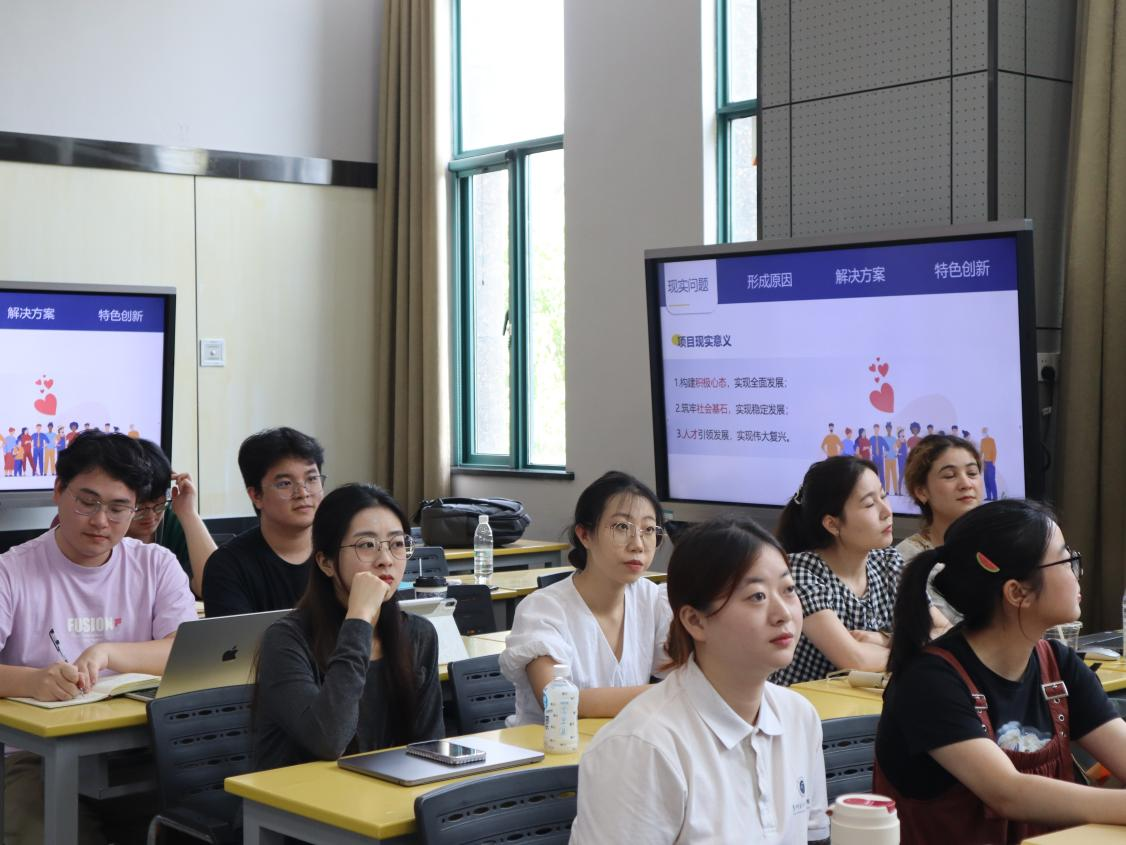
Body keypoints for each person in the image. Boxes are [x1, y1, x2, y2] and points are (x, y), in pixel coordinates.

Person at [875, 499, 1126, 843]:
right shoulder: (930, 682)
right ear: (1017, 592)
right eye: (1066, 560)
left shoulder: (1059, 666)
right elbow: (1009, 793)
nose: (1076, 572)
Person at [571, 515, 829, 844]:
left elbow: (814, 836)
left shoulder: (799, 717)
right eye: (757, 596)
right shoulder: (641, 746)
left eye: (788, 589)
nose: (783, 614)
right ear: (695, 621)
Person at [0, 431, 197, 845]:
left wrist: (107, 652)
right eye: (87, 502)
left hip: (142, 745)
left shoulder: (156, 564)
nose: (101, 521)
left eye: (119, 508)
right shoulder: (12, 572)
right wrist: (33, 681)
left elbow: (185, 653)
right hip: (37, 755)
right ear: (58, 491)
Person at [252, 483, 442, 771]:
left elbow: (430, 749)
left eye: (397, 544)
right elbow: (329, 741)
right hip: (302, 796)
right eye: (366, 545)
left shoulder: (418, 634)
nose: (385, 560)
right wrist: (360, 619)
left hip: (389, 792)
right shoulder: (285, 640)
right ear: (326, 563)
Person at [499, 471, 671, 725]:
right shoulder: (543, 609)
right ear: (585, 535)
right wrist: (669, 694)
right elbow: (558, 701)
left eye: (648, 530)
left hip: (622, 743)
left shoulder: (653, 599)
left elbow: (688, 676)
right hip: (551, 749)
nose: (638, 544)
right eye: (622, 527)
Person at [771, 455, 948, 687]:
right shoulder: (801, 573)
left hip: (869, 702)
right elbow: (855, 659)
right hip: (809, 704)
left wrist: (885, 640)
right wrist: (920, 647)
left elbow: (946, 629)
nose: (886, 511)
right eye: (869, 504)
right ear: (832, 524)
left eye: (883, 496)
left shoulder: (888, 562)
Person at [202, 427, 325, 617]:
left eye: (312, 478)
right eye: (285, 483)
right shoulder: (228, 566)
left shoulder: (343, 551)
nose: (303, 493)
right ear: (256, 496)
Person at [897, 434, 984, 622]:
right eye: (950, 476)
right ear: (921, 491)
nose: (966, 484)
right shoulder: (905, 558)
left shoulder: (1003, 542)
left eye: (972, 473)